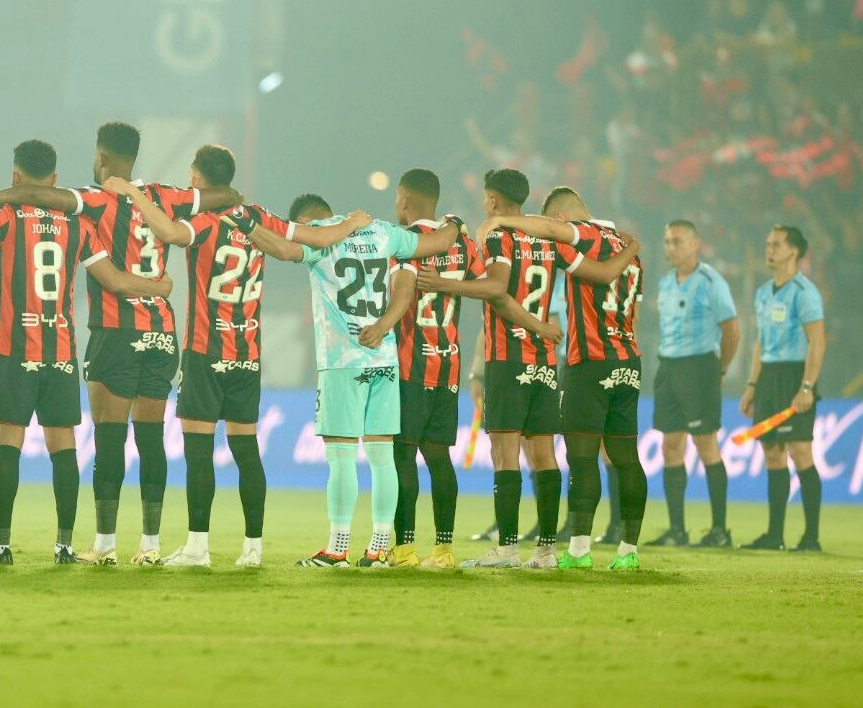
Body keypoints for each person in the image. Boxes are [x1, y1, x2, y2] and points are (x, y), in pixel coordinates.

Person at [0, 122, 239, 566]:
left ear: (102, 157)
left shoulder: (95, 198)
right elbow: (227, 196)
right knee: (151, 440)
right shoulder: (166, 196)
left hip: (116, 332)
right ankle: (150, 546)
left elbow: (35, 196)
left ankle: (105, 544)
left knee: (110, 439)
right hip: (162, 333)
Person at [0, 138, 172, 565]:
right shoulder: (78, 226)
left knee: (7, 444)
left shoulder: (7, 218)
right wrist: (158, 287)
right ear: (53, 180)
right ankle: (64, 546)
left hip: (15, 349)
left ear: (15, 177)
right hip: (61, 351)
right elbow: (117, 281)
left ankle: (1, 546)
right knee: (63, 446)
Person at [109, 145, 366, 567]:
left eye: (192, 175)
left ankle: (197, 547)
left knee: (198, 449)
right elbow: (315, 238)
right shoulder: (258, 218)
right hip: (247, 354)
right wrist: (352, 222)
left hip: (205, 351)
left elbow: (170, 234)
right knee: (247, 450)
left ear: (197, 178)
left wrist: (134, 195)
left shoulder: (205, 220)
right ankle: (253, 549)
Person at [417, 168, 630, 568]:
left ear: (493, 200)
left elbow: (496, 290)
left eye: (485, 198)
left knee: (505, 454)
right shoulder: (547, 239)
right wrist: (628, 251)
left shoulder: (498, 235)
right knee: (544, 454)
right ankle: (547, 549)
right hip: (546, 362)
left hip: (508, 355)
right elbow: (599, 273)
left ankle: (508, 549)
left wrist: (443, 284)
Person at [238, 194, 463, 567]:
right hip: (384, 360)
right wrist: (456, 222)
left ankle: (338, 547)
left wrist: (246, 225)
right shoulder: (381, 232)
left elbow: (282, 248)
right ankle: (377, 549)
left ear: (308, 221)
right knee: (381, 459)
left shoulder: (320, 237)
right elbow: (438, 242)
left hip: (343, 361)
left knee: (341, 458)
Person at [481, 186, 647, 569]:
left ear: (558, 218)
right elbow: (634, 311)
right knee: (626, 457)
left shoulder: (586, 235)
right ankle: (629, 552)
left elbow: (555, 234)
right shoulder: (628, 250)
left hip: (589, 361)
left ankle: (579, 551)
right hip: (629, 360)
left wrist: (502, 219)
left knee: (583, 457)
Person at [387, 169, 484, 568]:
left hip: (412, 365)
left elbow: (398, 296)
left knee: (403, 457)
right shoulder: (462, 243)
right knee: (439, 458)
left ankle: (405, 548)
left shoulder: (405, 242)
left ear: (405, 198)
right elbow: (490, 285)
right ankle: (443, 550)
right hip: (448, 365)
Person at [649, 220, 740, 548]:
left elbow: (732, 331)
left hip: (701, 367)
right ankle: (678, 530)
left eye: (678, 241)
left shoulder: (710, 281)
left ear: (695, 244)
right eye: (667, 241)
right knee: (670, 446)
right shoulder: (666, 282)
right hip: (668, 368)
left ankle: (719, 530)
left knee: (705, 444)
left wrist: (720, 368)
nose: (670, 247)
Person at [741, 225, 827, 552]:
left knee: (800, 451)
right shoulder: (763, 292)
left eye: (775, 244)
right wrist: (752, 384)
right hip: (768, 378)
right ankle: (774, 535)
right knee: (773, 455)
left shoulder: (805, 292)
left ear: (793, 250)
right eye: (767, 244)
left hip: (794, 375)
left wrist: (807, 386)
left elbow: (818, 342)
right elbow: (760, 341)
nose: (769, 249)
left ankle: (811, 538)